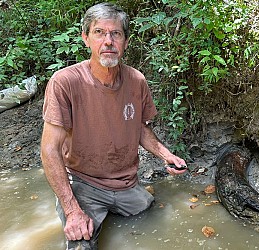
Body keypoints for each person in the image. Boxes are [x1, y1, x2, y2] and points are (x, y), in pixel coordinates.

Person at [40, 3, 187, 249]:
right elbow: (49, 150)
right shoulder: (64, 82)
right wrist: (72, 209)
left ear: (125, 42)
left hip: (126, 183)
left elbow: (139, 128)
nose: (108, 41)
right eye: (99, 32)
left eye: (116, 33)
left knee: (152, 216)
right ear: (86, 38)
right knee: (81, 243)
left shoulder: (136, 80)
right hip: (83, 182)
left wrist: (166, 155)